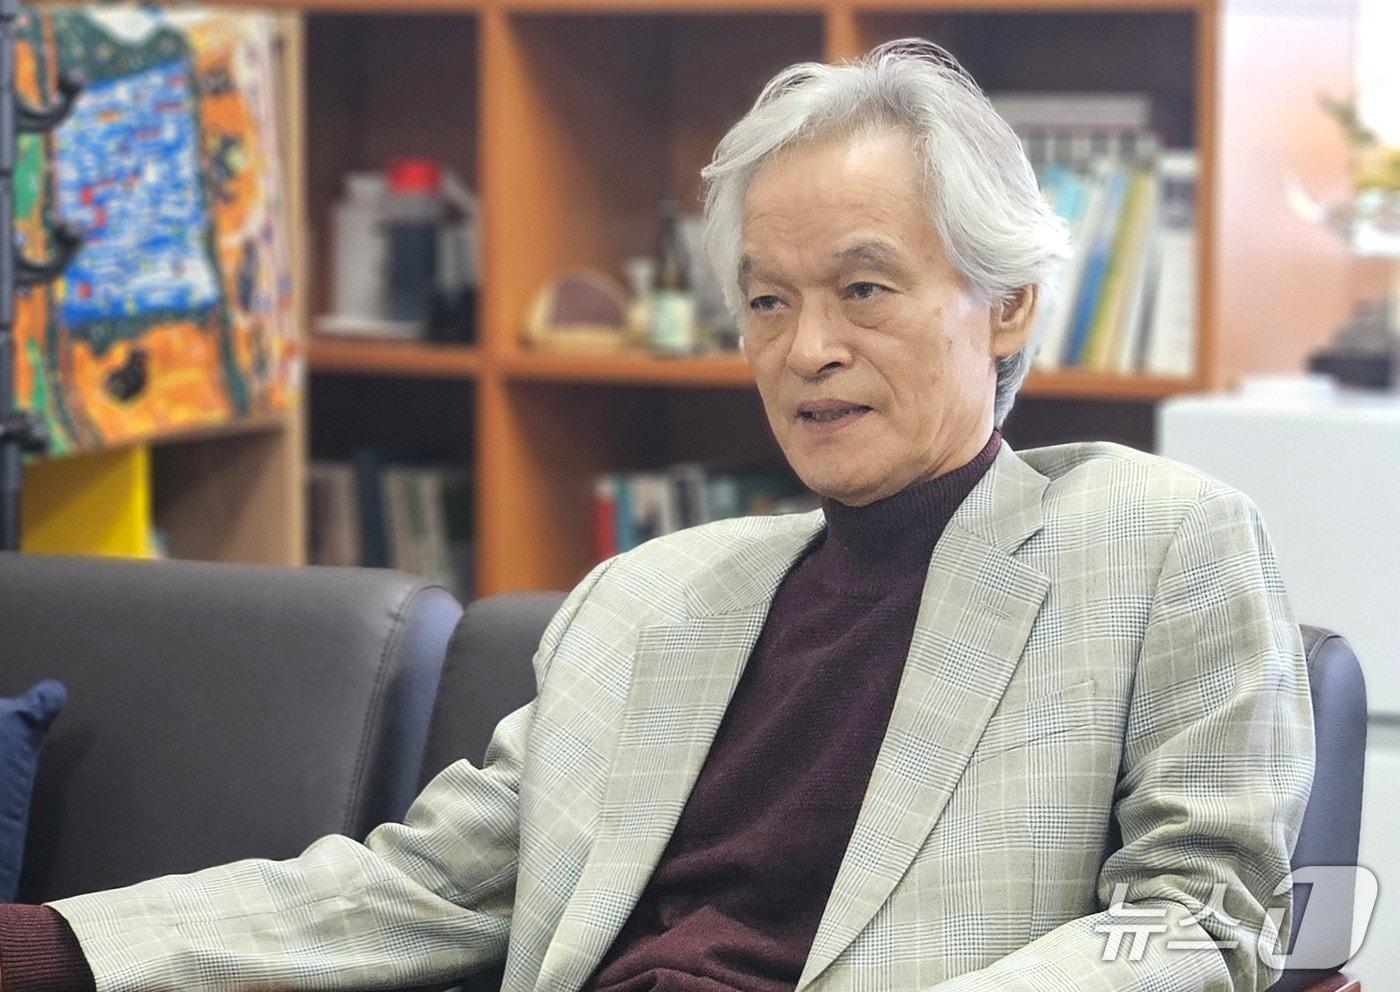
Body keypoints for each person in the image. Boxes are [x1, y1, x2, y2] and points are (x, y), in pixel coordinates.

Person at [0, 38, 1312, 992]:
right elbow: (426, 885)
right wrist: (62, 946)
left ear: (1007, 303)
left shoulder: (1155, 544)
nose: (806, 349)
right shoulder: (654, 595)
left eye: (863, 290)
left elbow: (1194, 923)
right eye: (767, 301)